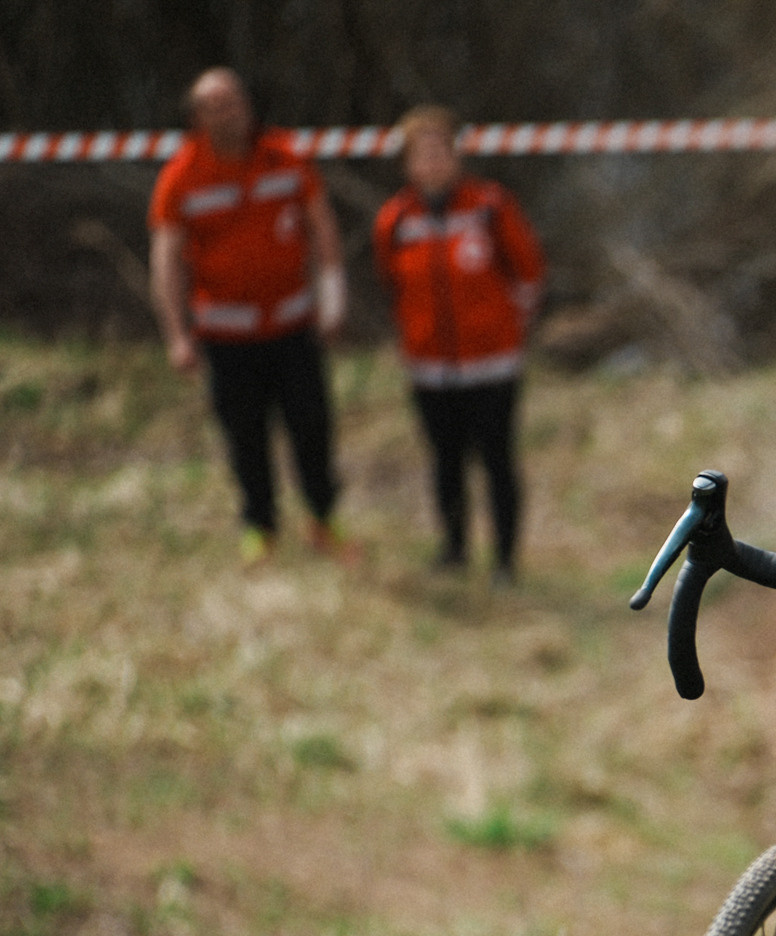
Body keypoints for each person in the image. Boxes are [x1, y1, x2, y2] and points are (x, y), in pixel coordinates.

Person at [148, 67, 348, 567]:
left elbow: (322, 228)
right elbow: (166, 260)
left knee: (313, 428)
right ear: (197, 117)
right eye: (214, 104)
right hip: (226, 336)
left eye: (234, 100)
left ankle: (325, 521)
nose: (228, 111)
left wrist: (333, 297)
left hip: (293, 327)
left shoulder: (286, 156)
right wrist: (176, 335)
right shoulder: (181, 175)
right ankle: (259, 529)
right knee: (245, 438)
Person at [374, 106, 546, 583]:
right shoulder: (394, 220)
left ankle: (506, 561)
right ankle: (454, 550)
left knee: (497, 461)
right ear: (407, 163)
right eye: (420, 154)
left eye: (439, 151)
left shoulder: (490, 206)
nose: (431, 162)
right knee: (445, 461)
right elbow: (391, 286)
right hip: (430, 368)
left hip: (492, 365)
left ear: (456, 155)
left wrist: (507, 332)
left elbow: (528, 274)